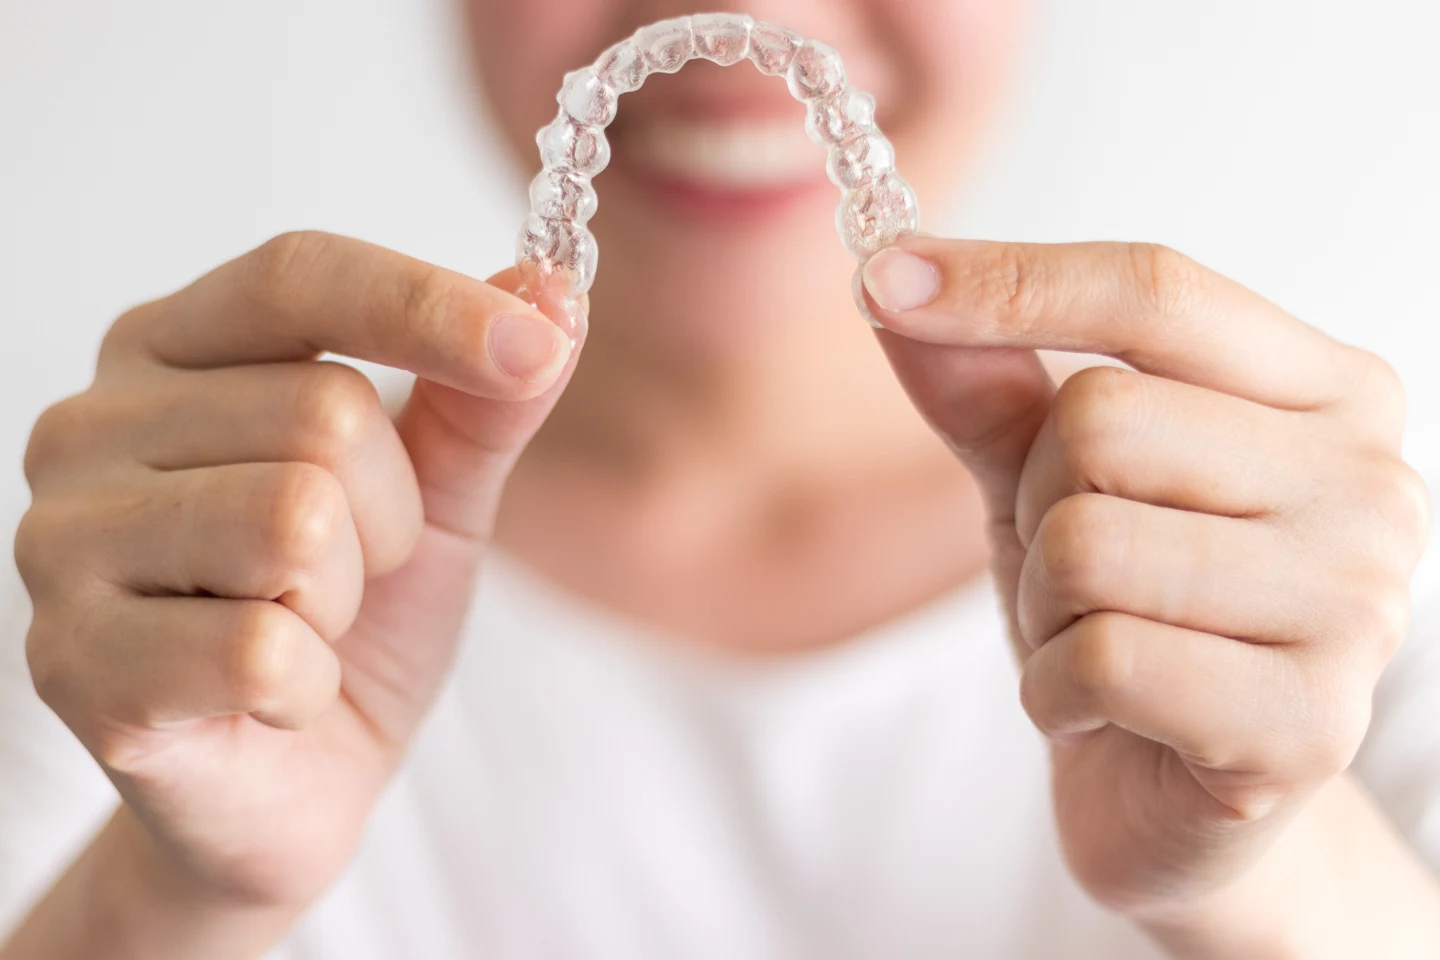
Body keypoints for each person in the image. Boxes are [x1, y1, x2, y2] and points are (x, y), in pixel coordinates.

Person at [3, 1, 1438, 957]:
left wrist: (1268, 873)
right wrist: (166, 897)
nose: (743, 8)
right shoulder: (145, 604)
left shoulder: (1341, 603)